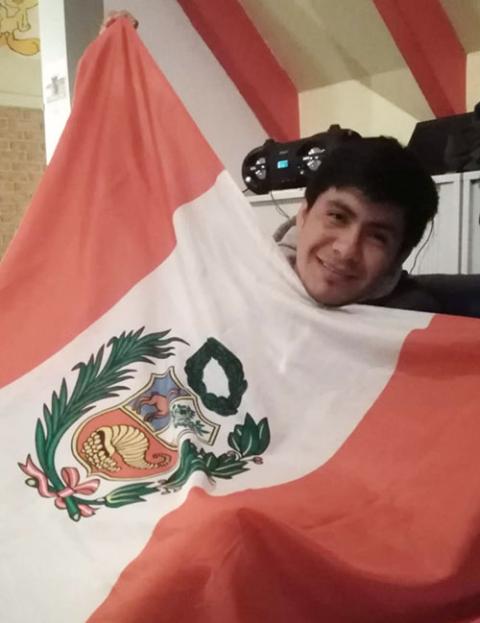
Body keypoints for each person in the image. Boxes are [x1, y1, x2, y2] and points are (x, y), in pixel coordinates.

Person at [99, 13, 479, 317]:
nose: (346, 250)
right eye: (337, 217)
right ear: (302, 213)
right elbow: (136, 227)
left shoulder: (414, 327)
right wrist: (113, 87)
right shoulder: (238, 282)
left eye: (378, 236)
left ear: (399, 255)